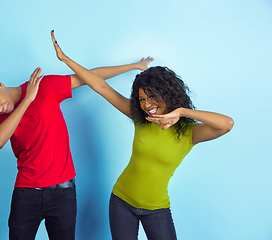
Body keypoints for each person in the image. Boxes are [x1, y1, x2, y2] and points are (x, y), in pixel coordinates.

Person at [51, 30, 234, 240]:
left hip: (156, 209)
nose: (147, 105)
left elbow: (227, 124)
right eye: (142, 99)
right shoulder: (141, 119)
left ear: (168, 93)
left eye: (152, 97)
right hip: (121, 202)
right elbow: (100, 86)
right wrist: (65, 59)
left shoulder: (190, 133)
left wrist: (182, 112)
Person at [0, 39, 153, 240]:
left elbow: (90, 77)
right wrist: (28, 99)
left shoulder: (45, 86)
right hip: (27, 193)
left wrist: (134, 66)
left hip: (63, 192)